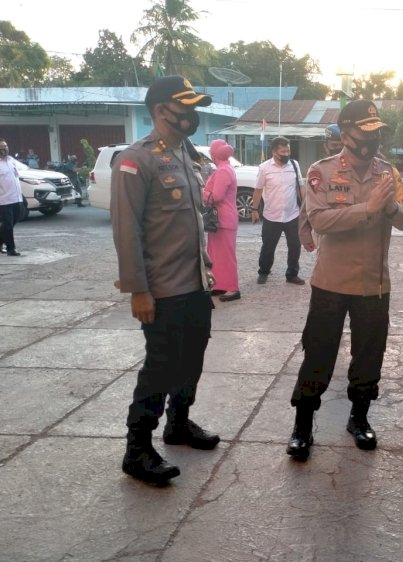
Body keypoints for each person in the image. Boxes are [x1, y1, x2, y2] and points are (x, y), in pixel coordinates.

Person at [286, 99, 403, 461]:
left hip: (374, 285)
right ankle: (302, 424)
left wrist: (389, 206)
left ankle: (359, 418)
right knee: (319, 353)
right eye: (366, 131)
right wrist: (368, 209)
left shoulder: (388, 173)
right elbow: (319, 220)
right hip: (330, 282)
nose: (373, 139)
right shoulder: (322, 171)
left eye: (378, 131)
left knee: (369, 356)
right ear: (345, 134)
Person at [111, 75, 220, 486]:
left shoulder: (185, 155)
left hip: (195, 284)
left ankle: (179, 423)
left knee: (192, 358)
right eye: (185, 108)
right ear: (160, 111)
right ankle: (137, 448)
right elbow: (127, 231)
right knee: (159, 368)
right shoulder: (137, 159)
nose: (192, 116)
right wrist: (138, 289)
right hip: (162, 290)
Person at [250, 136, 305, 285]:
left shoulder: (294, 165)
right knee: (268, 246)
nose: (287, 153)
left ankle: (292, 274)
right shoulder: (264, 168)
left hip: (292, 214)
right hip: (271, 216)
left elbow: (300, 187)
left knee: (295, 246)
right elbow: (258, 190)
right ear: (274, 152)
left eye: (288, 150)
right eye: (283, 151)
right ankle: (264, 272)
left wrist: (305, 207)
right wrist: (254, 209)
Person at [204, 139, 240, 302]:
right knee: (216, 255)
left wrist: (201, 192)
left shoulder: (223, 171)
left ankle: (232, 288)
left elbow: (216, 196)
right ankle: (220, 285)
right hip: (221, 220)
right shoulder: (226, 168)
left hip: (222, 219)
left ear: (213, 154)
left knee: (225, 255)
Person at [300, 124, 343, 252]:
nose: (338, 149)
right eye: (334, 146)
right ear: (326, 146)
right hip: (326, 231)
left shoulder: (355, 167)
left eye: (341, 145)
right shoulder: (319, 170)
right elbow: (307, 202)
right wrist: (304, 232)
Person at [0, 139, 24, 256]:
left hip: (17, 198)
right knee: (8, 225)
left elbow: (17, 176)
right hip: (4, 200)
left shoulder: (11, 160)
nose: (4, 149)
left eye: (5, 146)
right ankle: (11, 249)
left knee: (12, 222)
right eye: (1, 148)